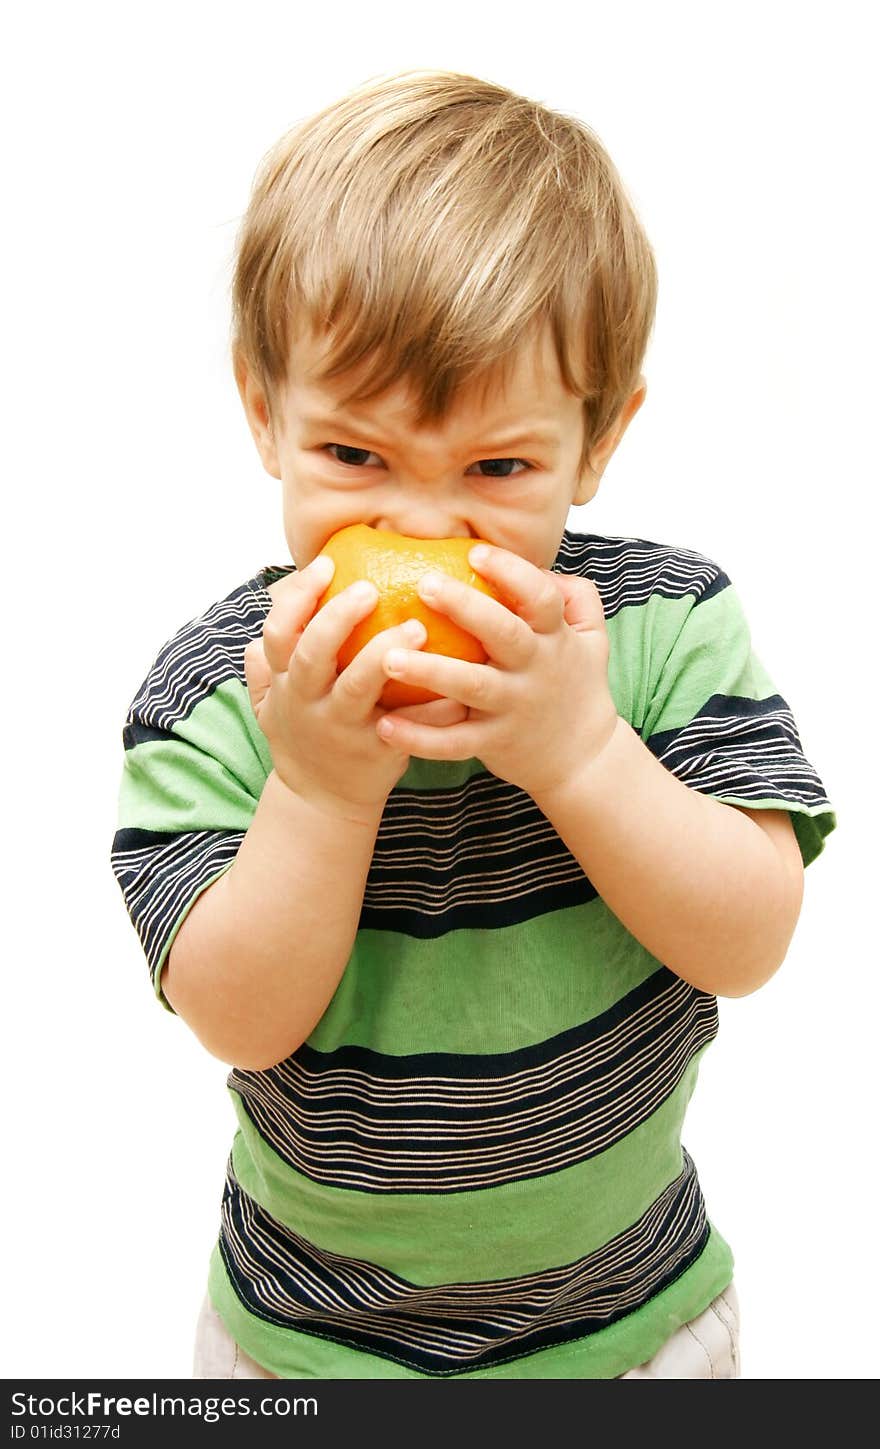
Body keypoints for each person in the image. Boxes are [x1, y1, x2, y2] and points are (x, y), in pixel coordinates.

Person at [110, 68, 835, 1380]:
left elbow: (751, 934)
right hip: (308, 1342)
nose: (430, 525)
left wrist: (579, 750)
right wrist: (321, 792)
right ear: (266, 412)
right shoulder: (221, 687)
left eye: (498, 469)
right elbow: (235, 1014)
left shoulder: (664, 630)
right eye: (357, 459)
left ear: (599, 439)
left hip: (633, 1324)